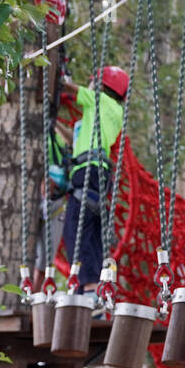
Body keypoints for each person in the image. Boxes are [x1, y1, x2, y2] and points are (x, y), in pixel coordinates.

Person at [59, 65, 128, 291]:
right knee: (93, 231)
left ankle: (87, 287)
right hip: (99, 174)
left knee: (76, 230)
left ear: (100, 86)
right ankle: (96, 287)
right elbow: (77, 138)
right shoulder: (115, 112)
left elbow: (68, 89)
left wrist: (56, 77)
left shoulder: (97, 100)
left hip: (87, 172)